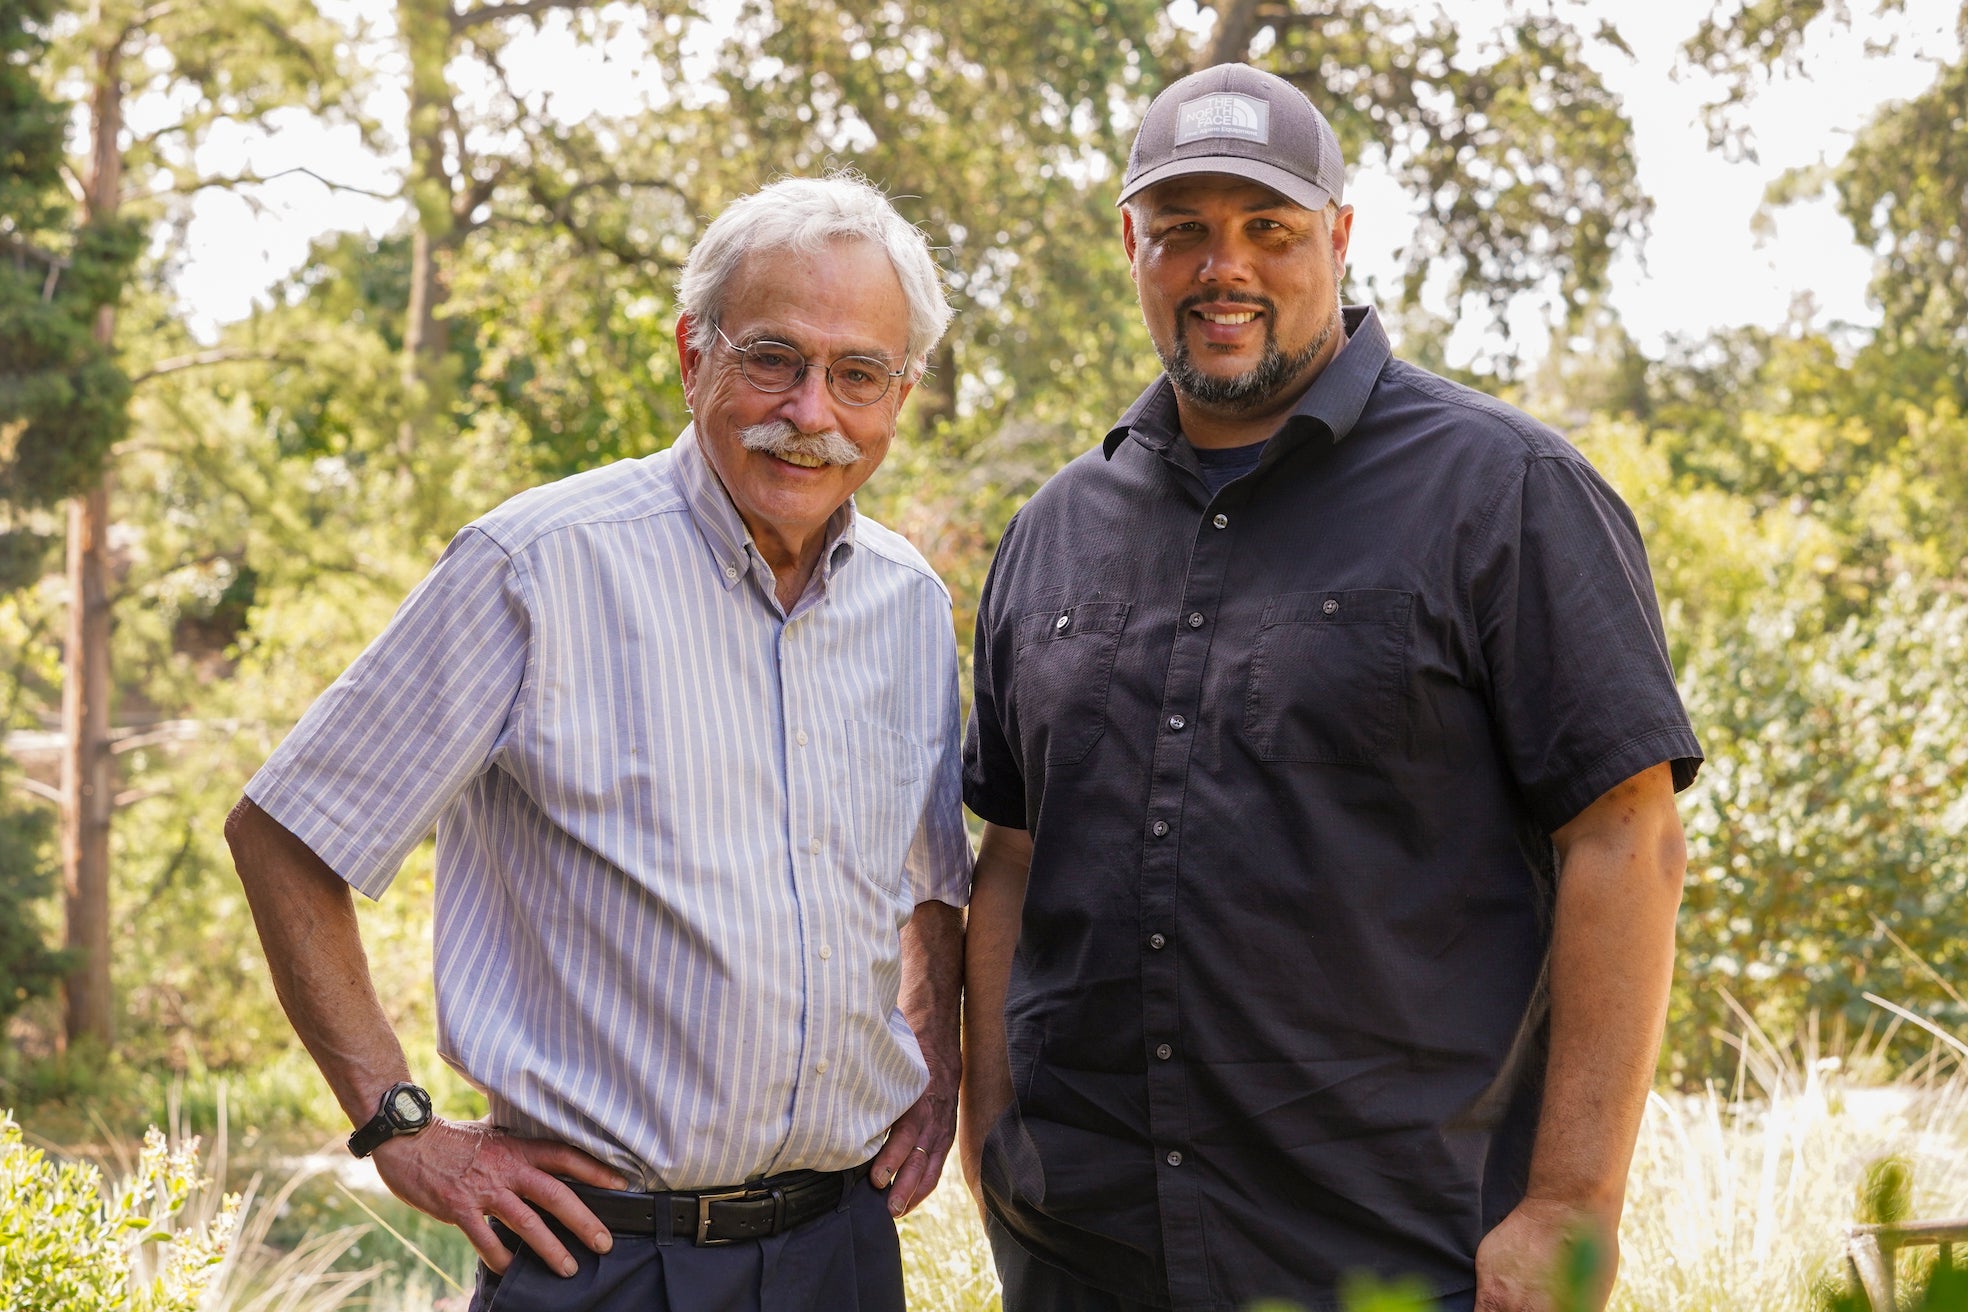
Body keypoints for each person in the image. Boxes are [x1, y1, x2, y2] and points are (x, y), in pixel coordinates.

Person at [958, 64, 1701, 1312]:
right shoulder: (1053, 533)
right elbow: (1016, 853)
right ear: (1132, 243)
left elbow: (1627, 836)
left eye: (1269, 229)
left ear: (1340, 239)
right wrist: (996, 1145)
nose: (1222, 268)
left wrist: (1573, 1208)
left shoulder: (1507, 492)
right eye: (1183, 230)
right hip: (1087, 1259)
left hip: (1395, 1259)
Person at [226, 172, 971, 1312]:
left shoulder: (911, 606)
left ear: (900, 394)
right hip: (598, 1261)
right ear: (692, 356)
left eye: (857, 374)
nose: (811, 411)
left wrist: (934, 1074)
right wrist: (398, 1124)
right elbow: (286, 833)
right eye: (772, 357)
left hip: (840, 1255)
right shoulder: (536, 568)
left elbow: (930, 885)